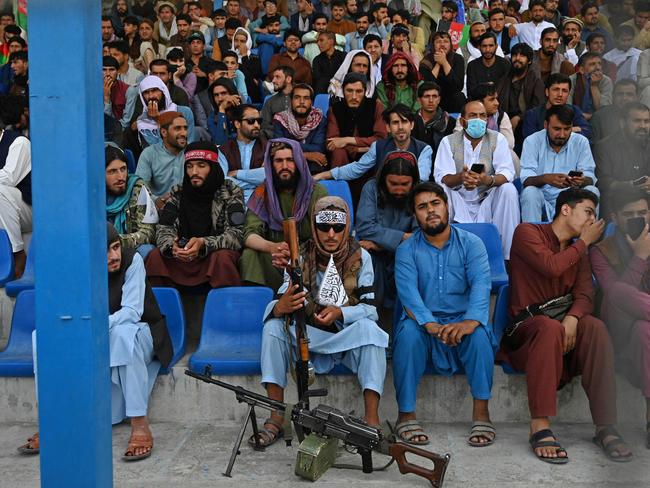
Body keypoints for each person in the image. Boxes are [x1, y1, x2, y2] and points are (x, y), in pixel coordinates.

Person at [18, 223, 174, 461]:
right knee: (43, 337)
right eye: (106, 251)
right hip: (96, 332)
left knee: (124, 335)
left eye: (115, 247)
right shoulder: (77, 268)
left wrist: (94, 326)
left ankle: (139, 423)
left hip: (143, 330)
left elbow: (132, 311)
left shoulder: (132, 261)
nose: (114, 256)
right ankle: (52, 420)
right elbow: (65, 309)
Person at [502, 188, 633, 463]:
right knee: (548, 327)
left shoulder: (579, 251)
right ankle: (539, 425)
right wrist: (583, 243)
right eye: (588, 212)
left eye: (594, 215)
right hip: (525, 332)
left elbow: (586, 294)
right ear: (565, 210)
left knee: (595, 328)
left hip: (563, 334)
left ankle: (605, 425)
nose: (591, 220)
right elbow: (551, 266)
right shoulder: (527, 233)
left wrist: (573, 318)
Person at [252, 195, 388, 446]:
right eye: (324, 227)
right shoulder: (299, 255)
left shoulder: (361, 257)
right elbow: (286, 294)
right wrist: (283, 305)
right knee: (272, 326)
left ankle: (371, 420)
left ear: (346, 227)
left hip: (345, 335)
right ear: (315, 228)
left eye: (338, 227)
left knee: (372, 331)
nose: (331, 234)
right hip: (307, 334)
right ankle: (275, 417)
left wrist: (341, 313)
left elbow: (370, 309)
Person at [392, 181, 496, 447]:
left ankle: (482, 413)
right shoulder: (407, 250)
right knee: (407, 335)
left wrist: (469, 322)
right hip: (423, 324)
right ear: (415, 215)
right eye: (422, 207)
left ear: (447, 206)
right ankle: (406, 415)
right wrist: (431, 325)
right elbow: (409, 295)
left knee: (481, 335)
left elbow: (481, 285)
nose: (431, 211)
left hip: (463, 321)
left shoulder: (472, 244)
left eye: (436, 203)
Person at [590, 189, 650, 451]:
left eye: (643, 213)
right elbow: (616, 300)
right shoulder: (602, 250)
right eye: (629, 215)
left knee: (644, 329)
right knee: (617, 292)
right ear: (615, 217)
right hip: (618, 326)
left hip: (643, 329)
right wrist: (640, 257)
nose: (637, 218)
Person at [146, 141, 244, 289]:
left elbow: (237, 234)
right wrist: (172, 246)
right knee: (155, 257)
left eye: (201, 165)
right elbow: (164, 227)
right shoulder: (178, 193)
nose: (194, 172)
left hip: (212, 255)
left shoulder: (230, 192)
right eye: (189, 166)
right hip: (181, 256)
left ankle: (225, 310)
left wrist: (203, 243)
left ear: (213, 167)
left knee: (223, 258)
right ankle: (160, 310)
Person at [239, 139, 328, 290]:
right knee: (249, 255)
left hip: (308, 258)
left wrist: (298, 254)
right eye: (278, 161)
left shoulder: (316, 192)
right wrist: (273, 248)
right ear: (271, 164)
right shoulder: (262, 192)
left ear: (299, 162)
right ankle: (261, 306)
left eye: (290, 160)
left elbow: (326, 234)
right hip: (275, 256)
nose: (284, 166)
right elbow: (249, 235)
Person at [435, 100, 519, 259]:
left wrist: (487, 180)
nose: (479, 120)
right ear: (462, 121)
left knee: (509, 190)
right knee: (442, 189)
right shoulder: (448, 142)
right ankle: (443, 251)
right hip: (458, 198)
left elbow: (507, 173)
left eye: (483, 116)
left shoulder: (498, 139)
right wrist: (461, 177)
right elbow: (442, 176)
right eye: (473, 116)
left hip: (487, 198)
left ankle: (507, 257)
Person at [356, 151, 418, 309]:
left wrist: (382, 244)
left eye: (405, 185)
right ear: (384, 180)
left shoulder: (420, 191)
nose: (399, 190)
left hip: (408, 253)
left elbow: (421, 237)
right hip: (374, 255)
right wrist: (404, 237)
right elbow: (365, 228)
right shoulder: (371, 188)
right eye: (393, 184)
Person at [316, 104, 432, 184]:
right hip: (384, 197)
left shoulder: (424, 149)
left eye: (404, 122)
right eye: (395, 123)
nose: (400, 127)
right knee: (370, 186)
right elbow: (356, 168)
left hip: (411, 197)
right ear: (388, 127)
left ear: (411, 125)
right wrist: (323, 175)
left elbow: (422, 178)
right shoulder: (378, 146)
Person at [520, 105, 598, 222]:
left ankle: (588, 239)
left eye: (567, 129)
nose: (562, 135)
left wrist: (581, 180)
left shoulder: (581, 142)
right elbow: (526, 180)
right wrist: (545, 179)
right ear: (546, 125)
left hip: (572, 200)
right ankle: (532, 237)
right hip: (543, 198)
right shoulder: (532, 141)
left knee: (592, 190)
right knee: (530, 192)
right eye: (557, 129)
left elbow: (590, 177)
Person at [595, 102, 650, 209]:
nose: (642, 126)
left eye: (647, 121)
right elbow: (603, 183)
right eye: (637, 121)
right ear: (622, 122)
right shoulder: (604, 146)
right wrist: (631, 185)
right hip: (617, 202)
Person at [326, 73, 388, 168]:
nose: (354, 96)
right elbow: (332, 142)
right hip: (345, 157)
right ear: (343, 91)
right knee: (338, 152)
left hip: (370, 157)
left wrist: (348, 140)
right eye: (349, 91)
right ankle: (340, 181)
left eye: (359, 91)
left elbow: (381, 139)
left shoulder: (376, 106)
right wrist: (359, 148)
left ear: (365, 92)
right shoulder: (335, 109)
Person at [105, 145, 156, 258]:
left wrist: (115, 241)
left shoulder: (138, 187)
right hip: (100, 250)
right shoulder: (93, 194)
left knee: (147, 250)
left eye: (123, 169)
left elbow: (148, 232)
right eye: (112, 171)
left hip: (129, 249)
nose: (120, 177)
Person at [0, 109, 30, 277]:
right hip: (7, 212)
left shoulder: (18, 142)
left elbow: (9, 178)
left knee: (0, 191)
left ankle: (17, 255)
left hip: (31, 208)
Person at [497, 43, 546, 145]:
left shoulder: (535, 81)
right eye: (515, 55)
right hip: (503, 118)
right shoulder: (504, 78)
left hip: (525, 121)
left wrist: (519, 117)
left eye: (522, 56)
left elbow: (538, 106)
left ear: (529, 61)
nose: (517, 59)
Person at [218, 104, 267, 203]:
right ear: (237, 124)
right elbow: (222, 181)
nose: (257, 125)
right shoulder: (225, 149)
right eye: (251, 121)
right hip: (232, 201)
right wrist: (256, 180)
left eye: (259, 121)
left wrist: (237, 173)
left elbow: (268, 176)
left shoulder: (268, 147)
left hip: (261, 201)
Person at [273, 84, 327, 173]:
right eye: (297, 97)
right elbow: (278, 149)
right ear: (291, 101)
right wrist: (306, 155)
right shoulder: (280, 119)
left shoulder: (319, 119)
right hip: (287, 163)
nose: (301, 102)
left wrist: (289, 146)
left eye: (306, 98)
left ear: (311, 103)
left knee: (318, 163)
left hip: (311, 166)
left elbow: (318, 148)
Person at [136, 111, 188, 202]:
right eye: (178, 128)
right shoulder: (149, 154)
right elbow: (140, 188)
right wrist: (157, 201)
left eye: (185, 128)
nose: (184, 133)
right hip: (159, 209)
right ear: (164, 132)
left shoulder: (192, 152)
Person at [522, 73, 592, 139]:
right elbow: (532, 141)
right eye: (556, 90)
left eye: (564, 91)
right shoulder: (532, 115)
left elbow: (587, 132)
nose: (560, 94)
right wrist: (572, 130)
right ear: (547, 92)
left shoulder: (574, 111)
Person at [134, 75, 196, 149]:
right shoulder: (143, 120)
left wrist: (159, 119)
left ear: (163, 91)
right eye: (146, 92)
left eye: (154, 90)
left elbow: (189, 145)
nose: (151, 96)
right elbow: (159, 151)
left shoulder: (184, 112)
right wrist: (157, 120)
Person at [419, 31, 467, 113]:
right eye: (438, 42)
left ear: (450, 44)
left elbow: (458, 86)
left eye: (446, 41)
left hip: (451, 98)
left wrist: (444, 63)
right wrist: (438, 63)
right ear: (433, 45)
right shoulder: (426, 61)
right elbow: (427, 86)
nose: (442, 45)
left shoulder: (457, 59)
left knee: (459, 97)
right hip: (433, 98)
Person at [413, 81, 456, 156]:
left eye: (434, 96)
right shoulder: (411, 122)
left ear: (439, 100)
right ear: (419, 100)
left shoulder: (449, 122)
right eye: (426, 96)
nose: (431, 100)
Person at [569, 52, 614, 120]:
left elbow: (604, 110)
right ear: (581, 70)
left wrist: (594, 86)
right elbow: (567, 107)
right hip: (574, 119)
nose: (598, 68)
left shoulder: (606, 81)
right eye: (592, 64)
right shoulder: (571, 80)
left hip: (599, 121)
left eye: (599, 64)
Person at [466, 32, 511, 96]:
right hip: (479, 103)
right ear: (479, 47)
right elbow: (471, 92)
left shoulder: (505, 64)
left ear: (496, 46)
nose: (487, 50)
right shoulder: (472, 66)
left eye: (491, 46)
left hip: (500, 102)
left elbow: (507, 91)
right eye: (484, 46)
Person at [102, 56, 137, 134]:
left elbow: (126, 122)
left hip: (121, 133)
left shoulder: (129, 90)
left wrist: (107, 97)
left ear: (118, 72)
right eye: (104, 70)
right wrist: (106, 97)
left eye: (111, 70)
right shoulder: (93, 90)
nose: (107, 74)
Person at [261, 65, 293, 138]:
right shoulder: (270, 101)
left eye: (277, 77)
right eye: (273, 77)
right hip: (276, 138)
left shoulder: (300, 98)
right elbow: (265, 125)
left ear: (288, 79)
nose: (273, 81)